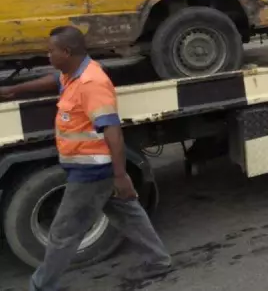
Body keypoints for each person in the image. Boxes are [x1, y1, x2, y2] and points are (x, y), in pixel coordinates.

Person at [0, 26, 172, 290]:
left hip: (92, 171)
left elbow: (112, 130)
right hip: (89, 167)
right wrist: (15, 90)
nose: (48, 55)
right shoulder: (73, 74)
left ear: (67, 52)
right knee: (129, 215)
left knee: (63, 231)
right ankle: (159, 261)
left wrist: (120, 175)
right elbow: (54, 80)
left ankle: (42, 285)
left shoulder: (92, 83)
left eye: (51, 51)